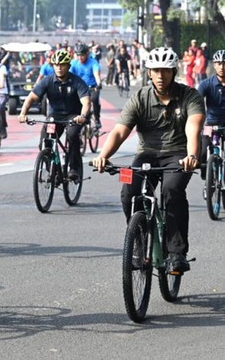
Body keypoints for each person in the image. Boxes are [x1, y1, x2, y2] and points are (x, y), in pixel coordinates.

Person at [92, 47, 205, 273]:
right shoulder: (140, 98)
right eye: (155, 71)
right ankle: (138, 243)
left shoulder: (189, 96)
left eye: (165, 71)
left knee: (171, 192)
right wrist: (103, 156)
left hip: (179, 155)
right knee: (128, 192)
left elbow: (194, 129)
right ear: (149, 73)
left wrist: (192, 156)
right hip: (146, 155)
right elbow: (119, 132)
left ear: (174, 72)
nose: (160, 76)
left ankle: (176, 253)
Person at [18, 50, 91, 181]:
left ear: (68, 66)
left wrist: (82, 116)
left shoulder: (77, 82)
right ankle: (53, 169)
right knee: (45, 142)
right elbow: (31, 98)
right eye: (56, 65)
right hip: (54, 117)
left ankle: (74, 167)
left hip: (73, 116)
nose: (59, 68)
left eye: (62, 65)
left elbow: (86, 102)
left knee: (72, 135)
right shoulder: (47, 81)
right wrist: (23, 113)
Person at [198, 50, 225, 180]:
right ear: (214, 65)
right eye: (219, 63)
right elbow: (196, 101)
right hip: (211, 123)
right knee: (202, 152)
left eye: (224, 63)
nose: (222, 67)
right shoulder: (206, 84)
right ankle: (207, 177)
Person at [70, 43, 103, 129]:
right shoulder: (73, 63)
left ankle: (96, 119)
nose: (80, 58)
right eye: (78, 55)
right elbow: (69, 75)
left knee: (95, 100)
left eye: (82, 55)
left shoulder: (93, 62)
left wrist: (99, 83)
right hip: (79, 88)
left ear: (87, 54)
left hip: (92, 87)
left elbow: (96, 74)